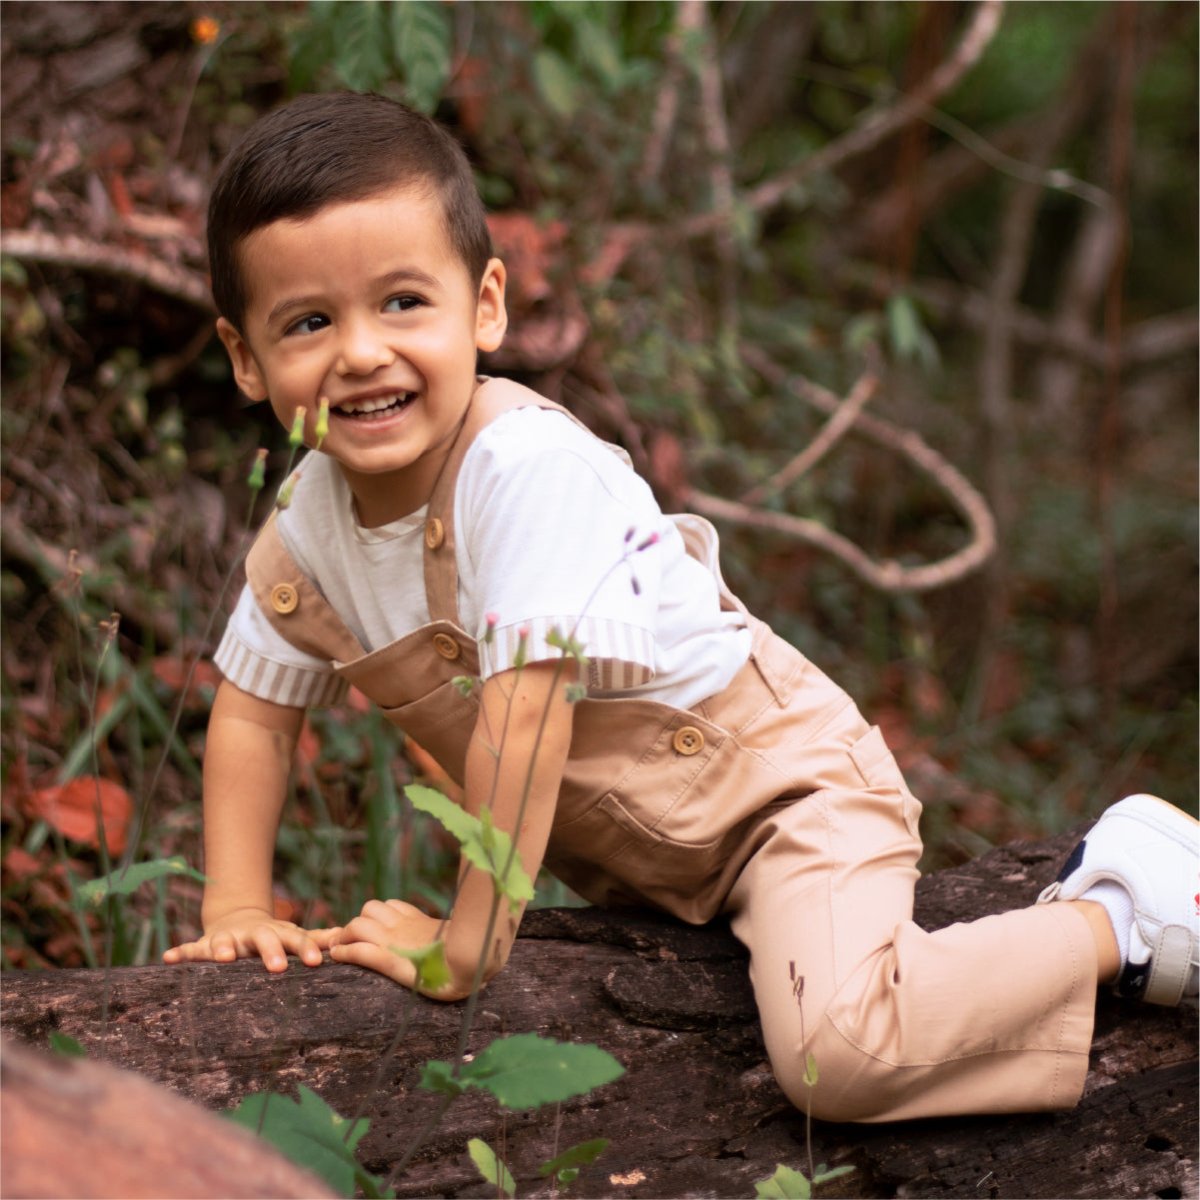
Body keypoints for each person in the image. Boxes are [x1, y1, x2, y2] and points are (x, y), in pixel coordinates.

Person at [164, 92, 1198, 1123]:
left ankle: (1129, 909)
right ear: (247, 358)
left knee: (839, 1055)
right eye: (309, 321)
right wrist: (237, 911)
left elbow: (526, 719)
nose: (360, 352)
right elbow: (255, 710)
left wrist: (464, 947)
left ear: (485, 306)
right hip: (653, 870)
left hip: (782, 800)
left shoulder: (522, 470)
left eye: (401, 303)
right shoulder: (307, 527)